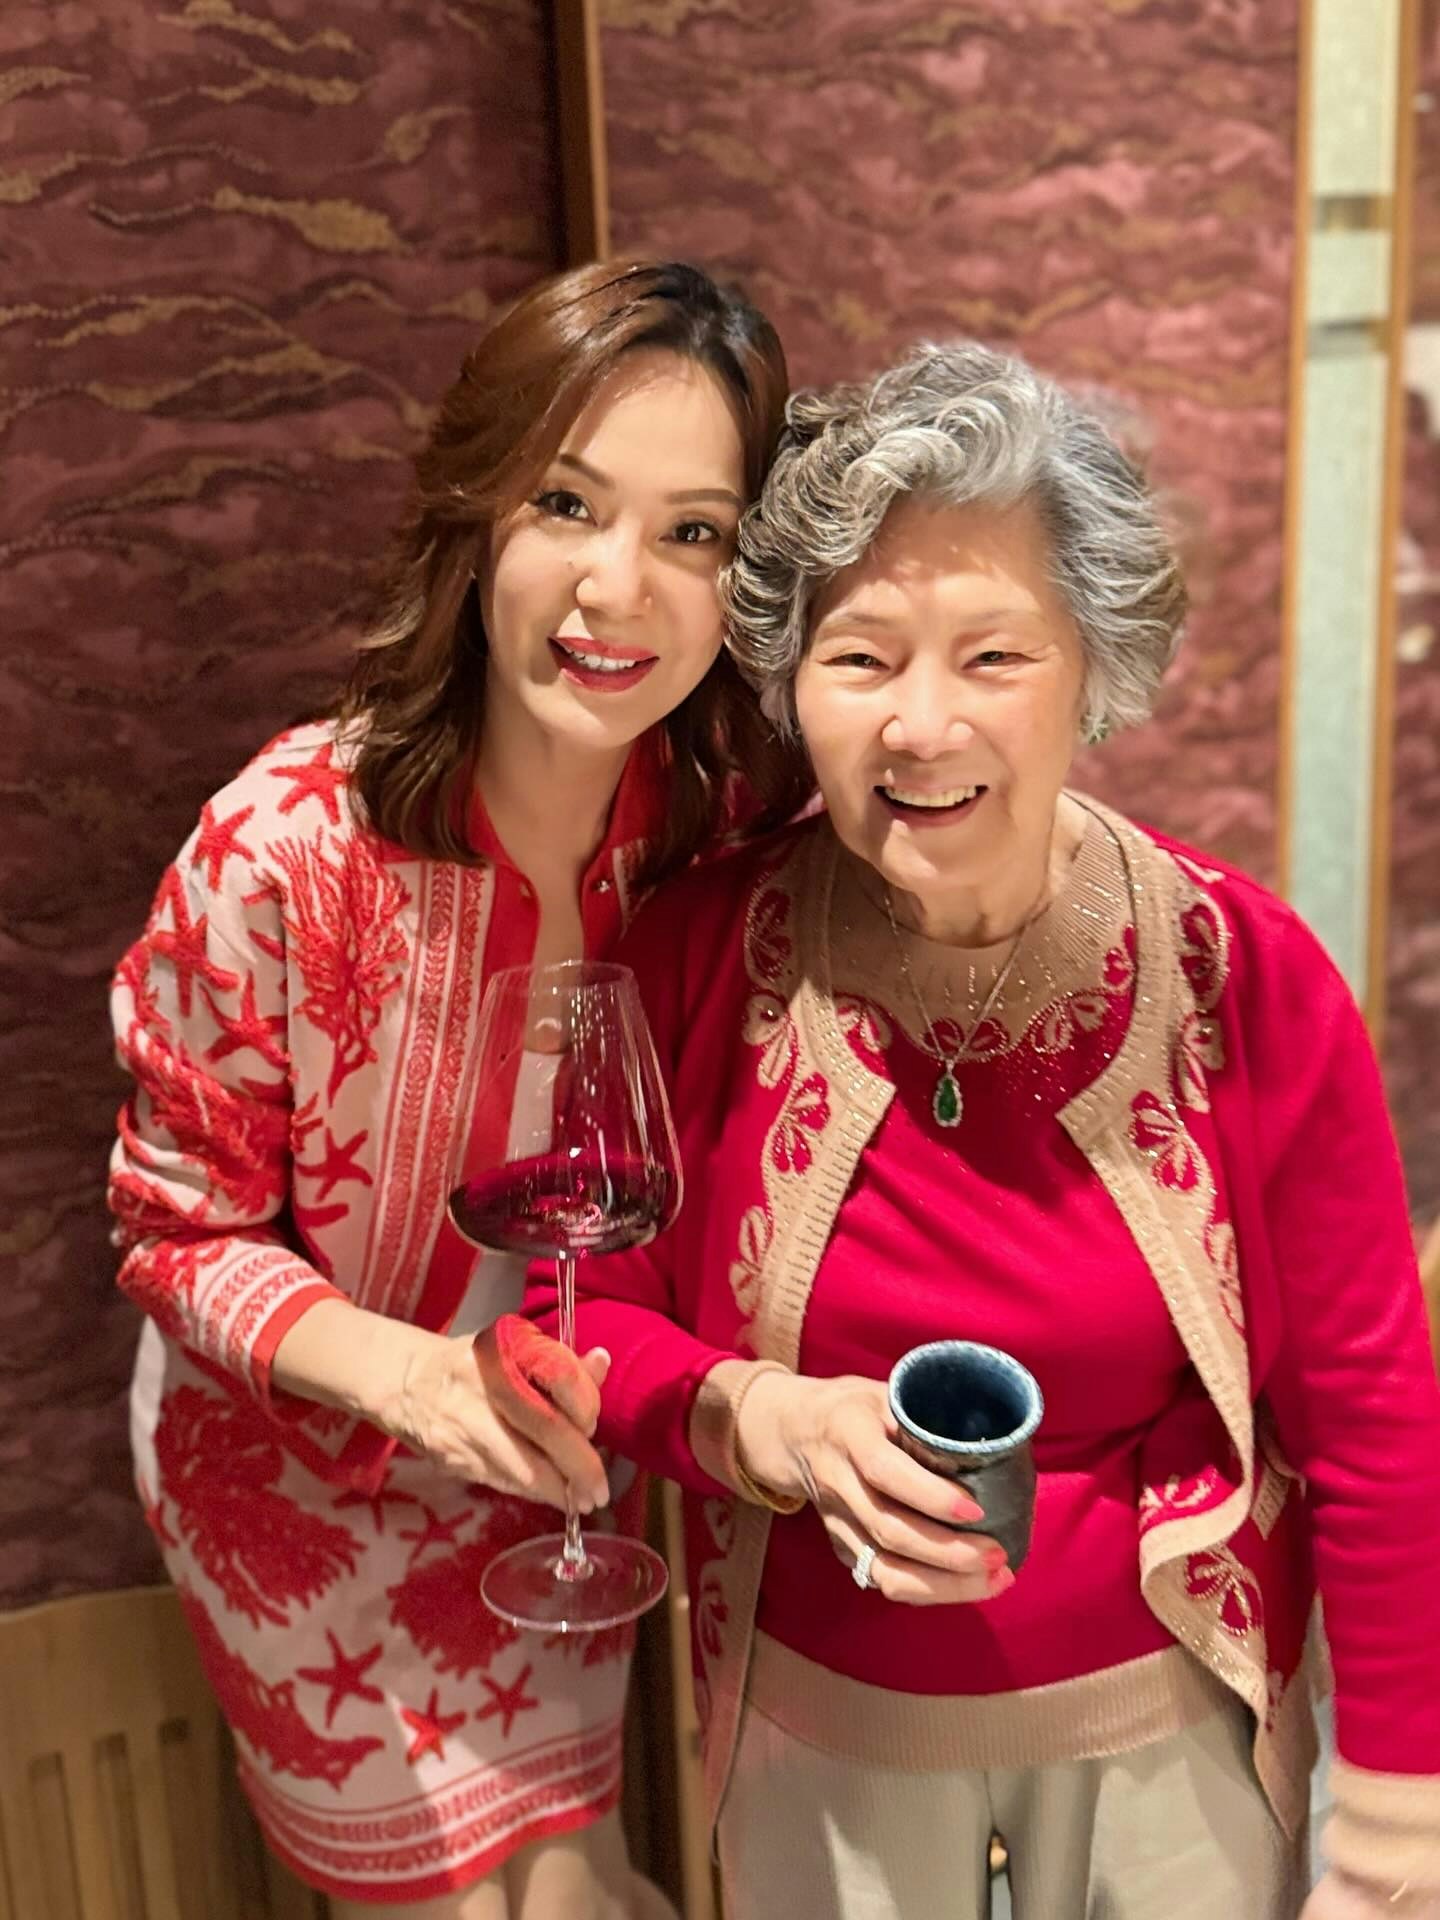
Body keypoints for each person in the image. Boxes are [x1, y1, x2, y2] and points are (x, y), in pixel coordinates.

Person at [523, 341, 1440, 1919]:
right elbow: (586, 1307)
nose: (922, 725)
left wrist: (1399, 1822)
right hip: (819, 1728)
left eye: (995, 656)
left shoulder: (1245, 974)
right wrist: (753, 1415)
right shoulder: (698, 951)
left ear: (1095, 671)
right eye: (861, 659)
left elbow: (1370, 1420)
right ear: (789, 683)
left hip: (1178, 1732)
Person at [107, 258, 811, 1919]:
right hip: (294, 1478)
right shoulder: (284, 846)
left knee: (578, 1886)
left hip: (552, 1482)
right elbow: (175, 1230)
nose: (617, 586)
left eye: (693, 532)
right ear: (480, 514)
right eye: (567, 503)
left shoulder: (716, 833)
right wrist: (420, 1387)